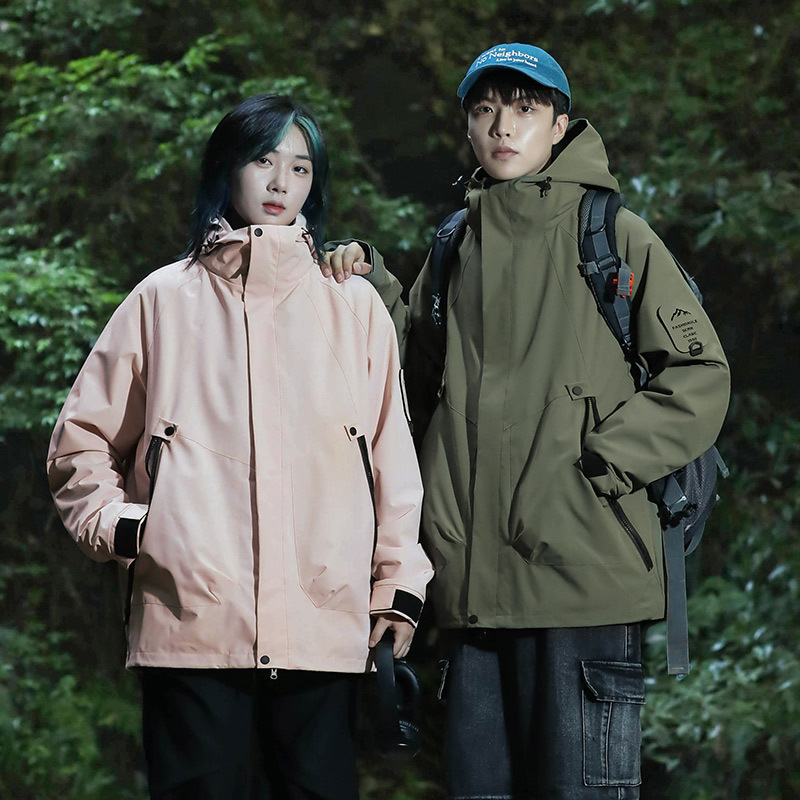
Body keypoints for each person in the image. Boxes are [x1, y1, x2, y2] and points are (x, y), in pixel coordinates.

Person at [325, 44, 730, 799]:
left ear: (560, 126)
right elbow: (407, 374)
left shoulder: (614, 235)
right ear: (467, 129)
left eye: (523, 109)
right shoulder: (455, 246)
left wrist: (600, 466)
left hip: (585, 582)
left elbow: (699, 374)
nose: (502, 127)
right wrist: (369, 282)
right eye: (485, 110)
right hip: (472, 592)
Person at [47, 93, 433, 800]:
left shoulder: (355, 307)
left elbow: (391, 461)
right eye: (263, 160)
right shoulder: (160, 301)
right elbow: (81, 443)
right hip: (190, 618)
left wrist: (397, 587)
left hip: (324, 620)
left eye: (301, 167)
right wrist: (131, 529)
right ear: (227, 168)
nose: (282, 182)